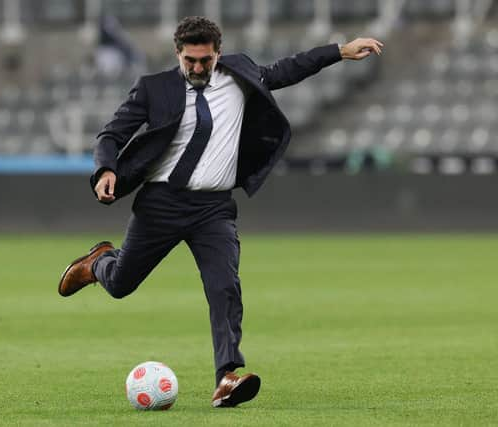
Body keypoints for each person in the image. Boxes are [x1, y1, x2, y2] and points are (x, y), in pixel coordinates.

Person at [58, 16, 383, 408]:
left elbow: (286, 69)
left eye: (205, 60)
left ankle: (227, 376)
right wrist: (106, 168)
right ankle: (97, 264)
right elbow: (112, 134)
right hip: (161, 203)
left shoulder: (240, 75)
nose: (197, 68)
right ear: (178, 53)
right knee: (122, 283)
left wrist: (339, 51)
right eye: (190, 60)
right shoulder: (153, 89)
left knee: (224, 286)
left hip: (213, 208)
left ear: (218, 54)